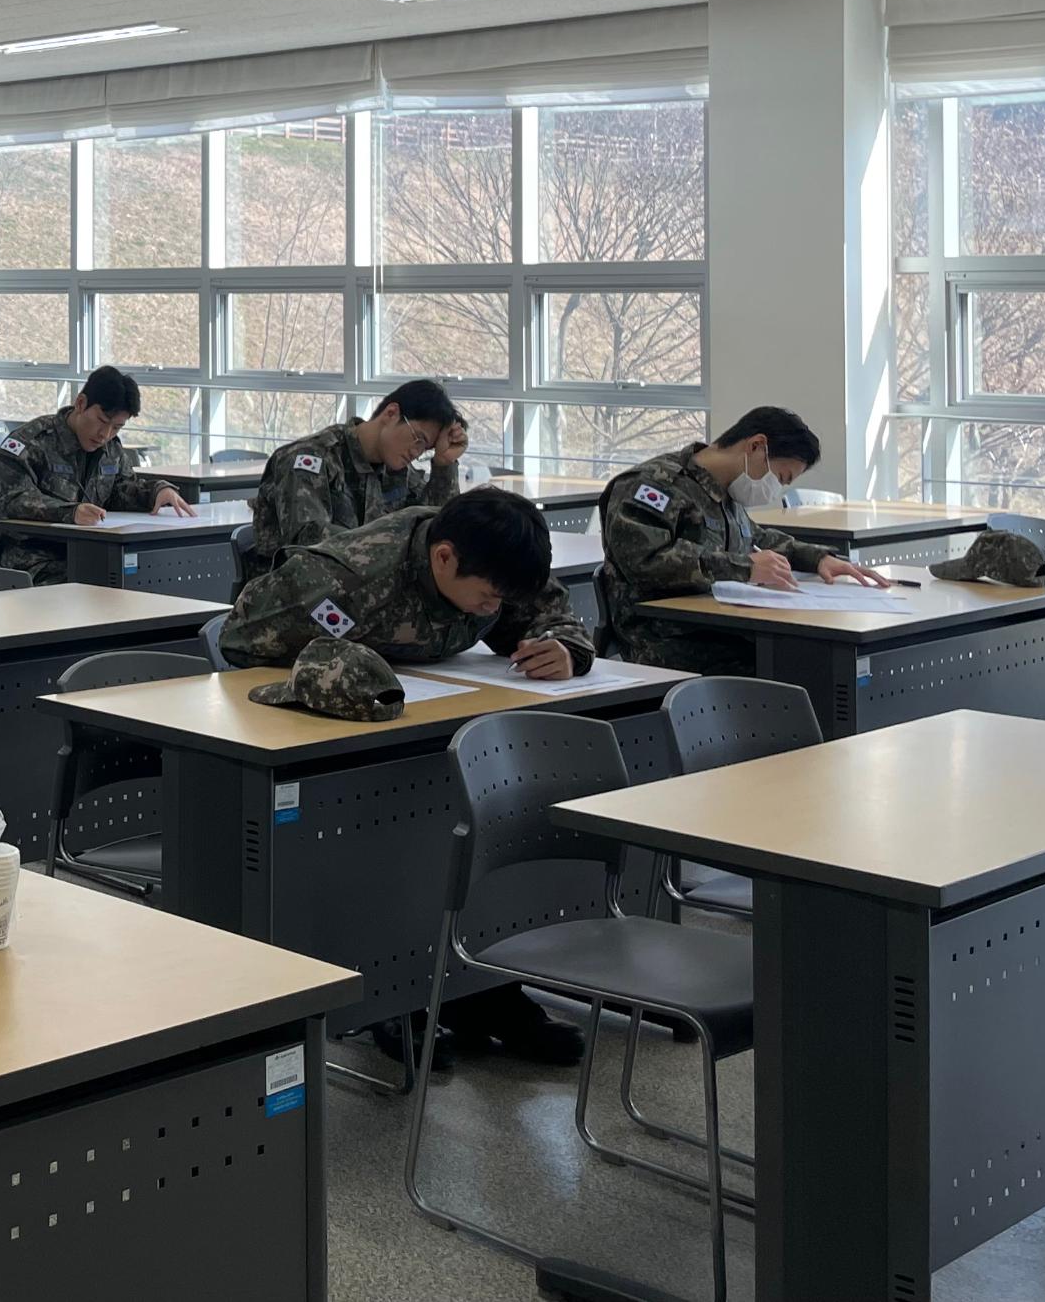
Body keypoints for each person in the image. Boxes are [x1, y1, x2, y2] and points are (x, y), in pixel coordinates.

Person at [221, 488, 595, 1067]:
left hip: (438, 723)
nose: (490, 608)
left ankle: (485, 991)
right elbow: (239, 643)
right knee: (393, 851)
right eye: (487, 597)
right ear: (443, 558)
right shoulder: (341, 578)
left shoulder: (491, 558)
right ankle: (393, 1002)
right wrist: (340, 676)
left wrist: (566, 647)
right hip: (341, 745)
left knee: (475, 836)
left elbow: (544, 608)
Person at [597, 407, 892, 673]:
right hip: (666, 639)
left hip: (722, 628)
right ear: (755, 446)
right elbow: (646, 562)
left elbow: (755, 538)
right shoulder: (652, 484)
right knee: (801, 666)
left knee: (812, 658)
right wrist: (744, 567)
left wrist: (817, 558)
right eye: (781, 476)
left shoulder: (727, 493)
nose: (776, 489)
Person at [237, 378, 469, 580]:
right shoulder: (310, 458)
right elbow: (307, 541)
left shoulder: (397, 470)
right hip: (293, 599)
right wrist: (393, 545)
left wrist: (443, 465)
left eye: (425, 448)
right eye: (417, 438)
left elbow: (435, 530)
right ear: (391, 413)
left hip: (360, 595)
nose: (416, 452)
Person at [0, 366, 193, 582]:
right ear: (81, 403)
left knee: (146, 580)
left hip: (92, 555)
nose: (105, 434)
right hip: (35, 562)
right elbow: (14, 500)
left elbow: (120, 489)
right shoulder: (29, 443)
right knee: (104, 587)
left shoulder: (111, 448)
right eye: (102, 421)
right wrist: (71, 513)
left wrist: (155, 492)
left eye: (117, 427)